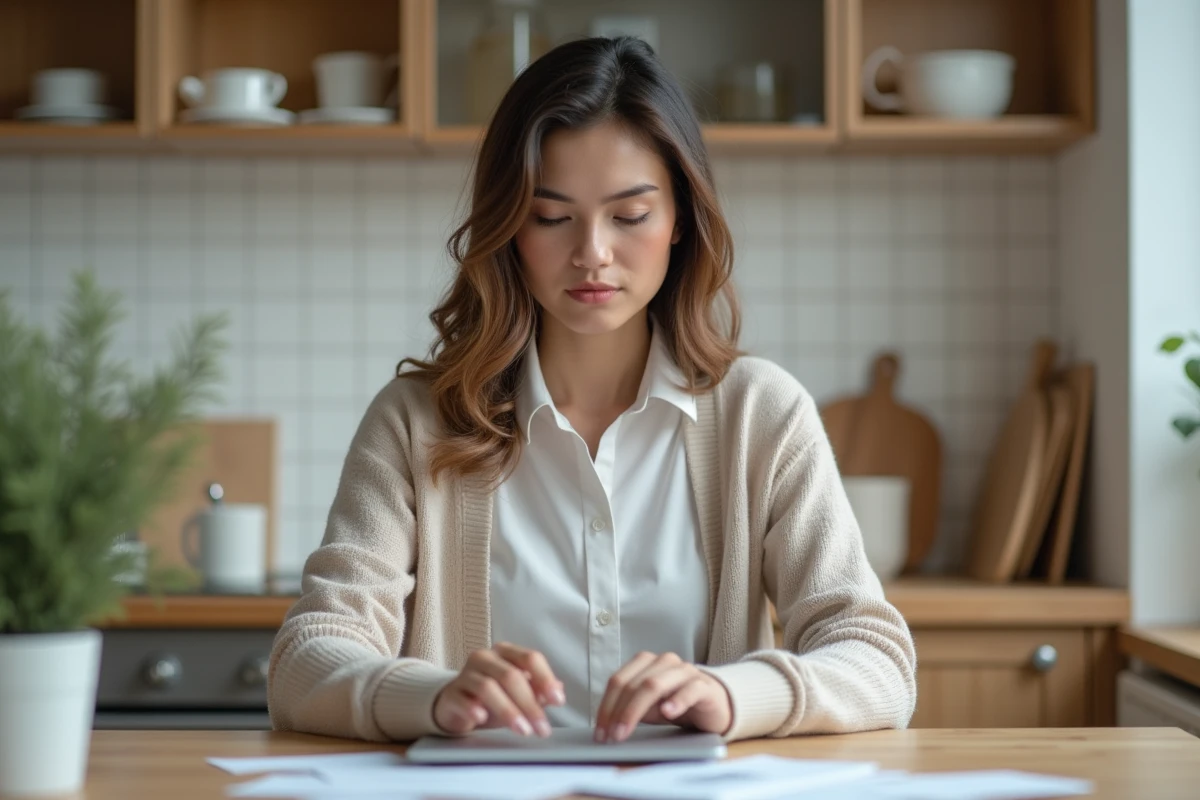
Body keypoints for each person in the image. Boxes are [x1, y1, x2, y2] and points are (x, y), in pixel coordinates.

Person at [267, 36, 916, 745]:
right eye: (551, 216)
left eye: (630, 215)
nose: (592, 253)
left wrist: (728, 694)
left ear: (679, 223)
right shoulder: (415, 421)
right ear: (509, 226)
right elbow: (304, 661)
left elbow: (878, 661)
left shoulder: (762, 414)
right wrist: (432, 695)